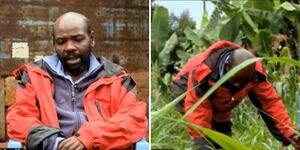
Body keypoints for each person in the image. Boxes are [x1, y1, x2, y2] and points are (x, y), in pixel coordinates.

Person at [6, 12, 148, 150]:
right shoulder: (34, 76)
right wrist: (55, 143)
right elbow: (19, 118)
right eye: (61, 42)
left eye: (78, 39)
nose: (69, 47)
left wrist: (89, 138)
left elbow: (133, 119)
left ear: (91, 38)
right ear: (54, 44)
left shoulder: (117, 78)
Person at [171, 40, 300, 149]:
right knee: (206, 140)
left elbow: (270, 103)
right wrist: (203, 143)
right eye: (234, 80)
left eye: (242, 82)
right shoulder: (205, 72)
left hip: (223, 98)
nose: (238, 85)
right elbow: (198, 115)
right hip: (185, 89)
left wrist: (290, 134)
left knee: (224, 139)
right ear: (227, 67)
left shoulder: (255, 73)